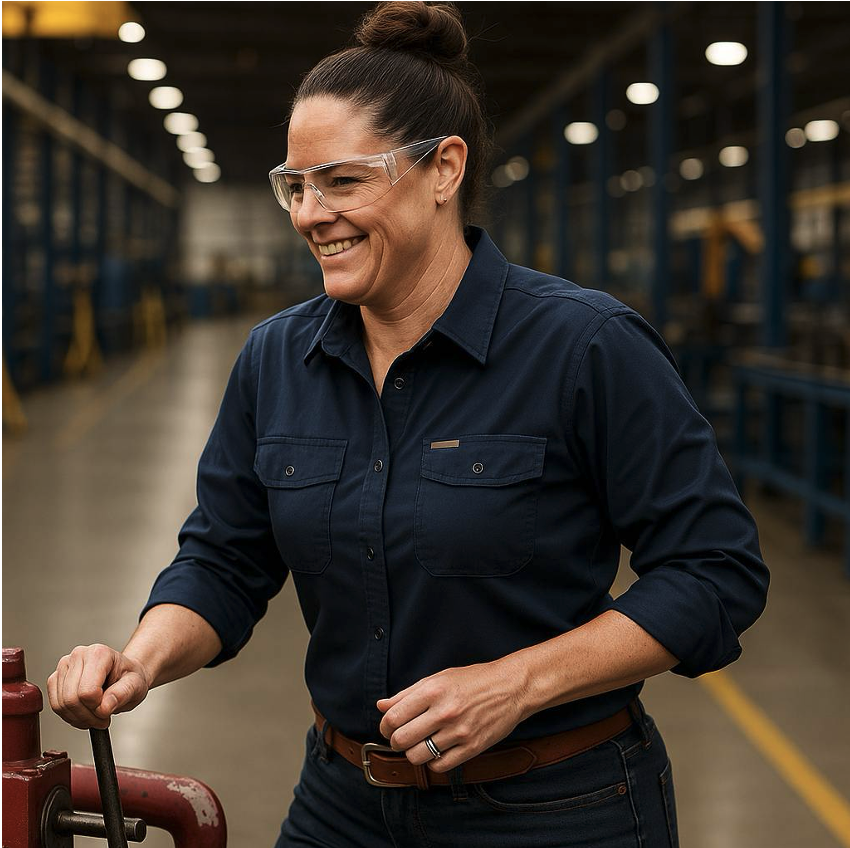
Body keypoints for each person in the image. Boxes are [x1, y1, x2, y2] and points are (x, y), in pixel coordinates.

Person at [48, 3, 770, 846]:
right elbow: (226, 557)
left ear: (444, 170)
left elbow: (714, 571)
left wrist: (518, 683)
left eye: (344, 181)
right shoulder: (277, 359)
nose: (311, 215)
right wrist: (141, 658)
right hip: (344, 802)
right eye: (296, 185)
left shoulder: (585, 346)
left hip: (557, 810)